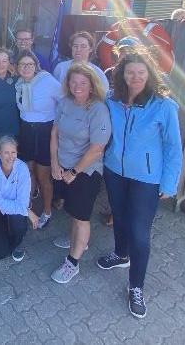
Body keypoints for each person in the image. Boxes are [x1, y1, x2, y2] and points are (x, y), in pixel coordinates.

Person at [97, 50, 183, 319]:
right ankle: (121, 255)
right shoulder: (112, 100)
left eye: (141, 72)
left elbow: (173, 148)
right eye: (130, 72)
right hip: (114, 171)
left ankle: (136, 287)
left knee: (139, 231)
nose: (135, 77)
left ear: (150, 75)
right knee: (119, 218)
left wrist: (169, 183)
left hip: (147, 178)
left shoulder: (163, 106)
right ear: (122, 74)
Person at [49, 63, 112, 284]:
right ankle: (75, 239)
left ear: (92, 85)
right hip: (64, 166)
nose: (77, 86)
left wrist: (75, 171)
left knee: (82, 216)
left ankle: (73, 263)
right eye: (73, 82)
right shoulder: (65, 102)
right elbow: (55, 132)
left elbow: (97, 147)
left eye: (83, 83)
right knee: (73, 211)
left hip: (85, 171)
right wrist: (54, 163)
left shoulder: (98, 110)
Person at [15, 50, 62, 229]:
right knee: (28, 173)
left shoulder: (47, 81)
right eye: (22, 65)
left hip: (45, 132)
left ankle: (47, 211)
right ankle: (28, 208)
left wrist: (58, 126)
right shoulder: (19, 84)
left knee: (43, 176)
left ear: (36, 66)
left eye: (30, 64)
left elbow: (64, 100)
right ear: (17, 67)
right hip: (26, 130)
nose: (26, 68)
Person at [0, 136, 31, 261]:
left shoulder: (22, 168)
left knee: (19, 226)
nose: (10, 157)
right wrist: (29, 212)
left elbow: (23, 202)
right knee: (0, 253)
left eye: (13, 152)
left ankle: (16, 242)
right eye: (6, 152)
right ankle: (1, 231)